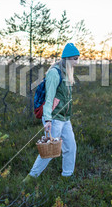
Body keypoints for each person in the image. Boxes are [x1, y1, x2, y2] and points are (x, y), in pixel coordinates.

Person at [23, 43, 80, 186]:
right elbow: (49, 99)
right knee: (49, 151)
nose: (77, 62)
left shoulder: (67, 72)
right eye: (74, 59)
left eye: (78, 58)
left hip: (64, 118)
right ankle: (30, 179)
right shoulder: (55, 73)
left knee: (71, 147)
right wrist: (47, 119)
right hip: (54, 118)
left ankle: (67, 177)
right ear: (67, 59)